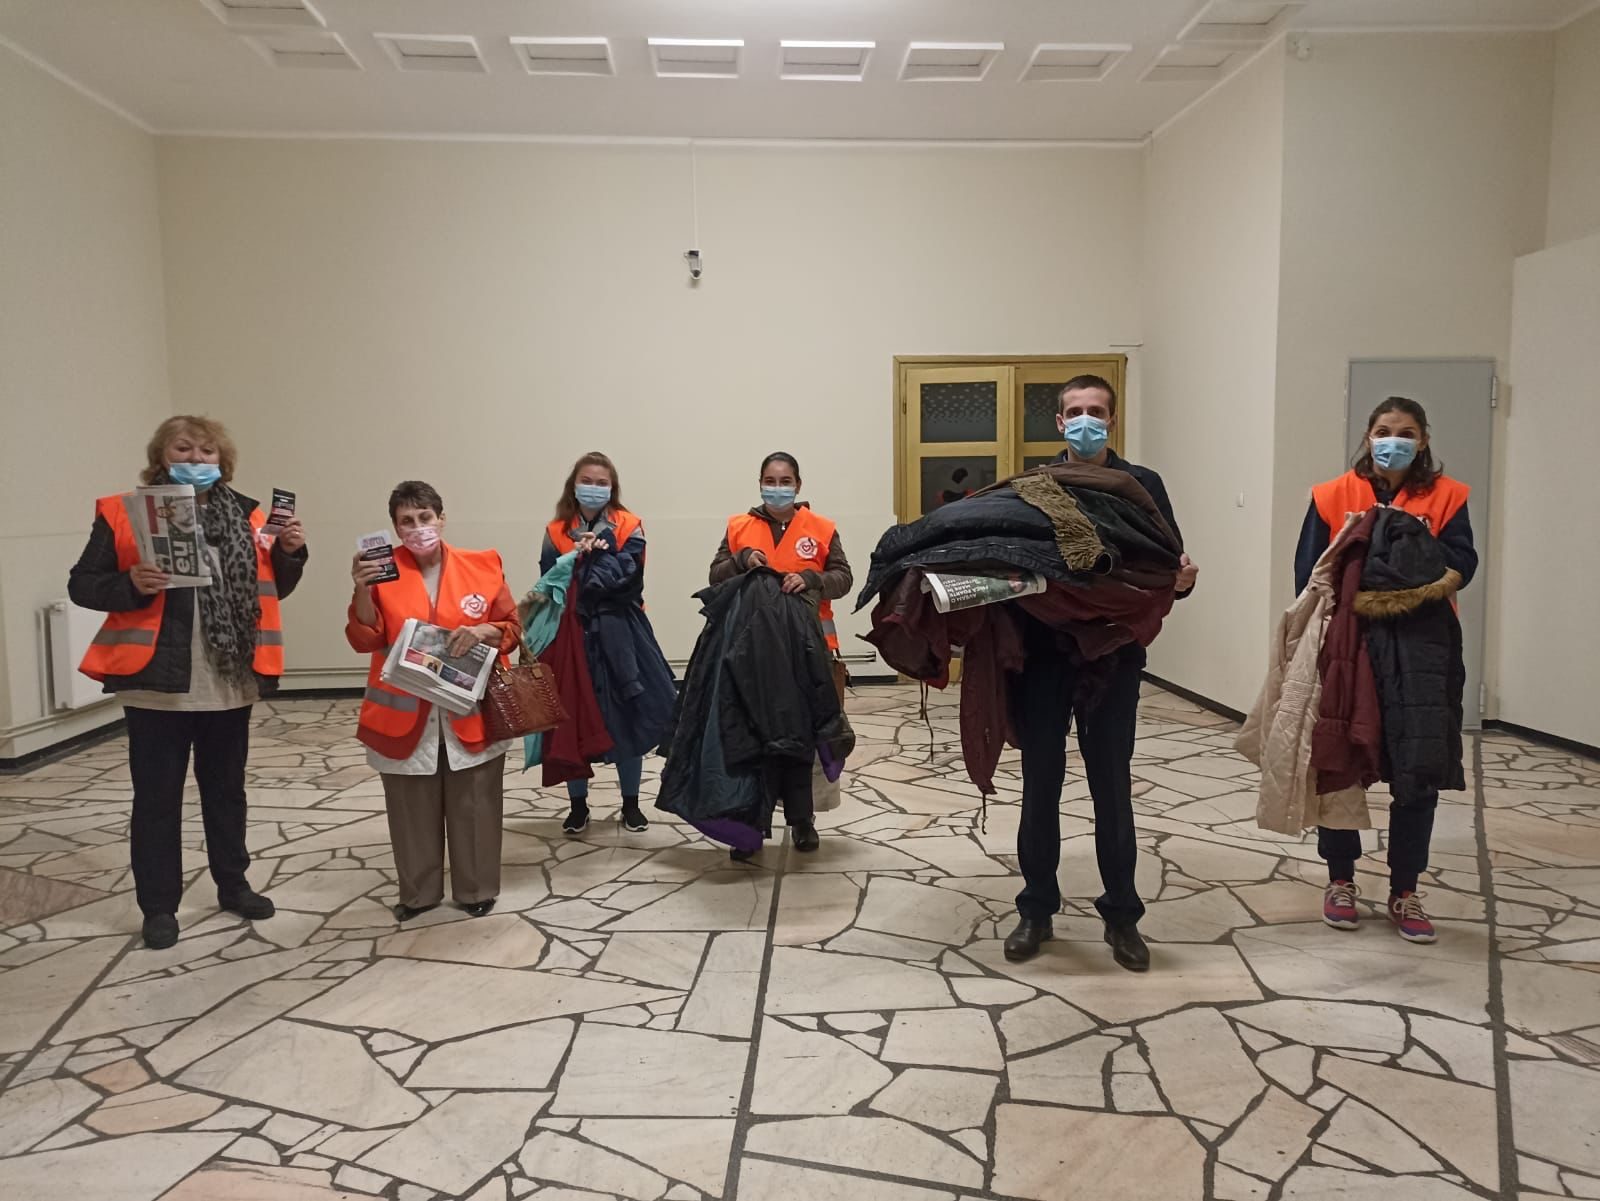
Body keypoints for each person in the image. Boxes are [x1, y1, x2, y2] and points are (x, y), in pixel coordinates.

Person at [69, 415, 308, 950]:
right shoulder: (124, 512)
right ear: (161, 456)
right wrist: (131, 582)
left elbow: (272, 588)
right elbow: (83, 584)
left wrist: (290, 553)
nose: (196, 460)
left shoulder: (249, 514)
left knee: (226, 792)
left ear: (222, 462)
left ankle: (233, 885)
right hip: (155, 682)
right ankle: (159, 907)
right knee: (157, 799)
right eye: (184, 449)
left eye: (207, 451)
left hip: (229, 679)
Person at [1004, 375, 1199, 972]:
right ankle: (1037, 909)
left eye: (1096, 410)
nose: (1085, 420)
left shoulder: (1140, 485)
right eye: (1075, 411)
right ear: (1059, 422)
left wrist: (1182, 583)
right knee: (1040, 781)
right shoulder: (1036, 485)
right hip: (1045, 653)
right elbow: (1017, 557)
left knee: (1111, 784)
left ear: (1112, 420)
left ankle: (1122, 917)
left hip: (1114, 655)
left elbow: (1164, 563)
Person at [1297, 397, 1476, 944]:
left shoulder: (1449, 496)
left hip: (1424, 647)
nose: (1391, 440)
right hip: (1350, 644)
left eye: (1404, 431)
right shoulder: (1331, 495)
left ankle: (1405, 888)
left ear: (1422, 440)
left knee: (1417, 766)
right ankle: (1340, 878)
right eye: (1382, 430)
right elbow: (1309, 571)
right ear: (1367, 436)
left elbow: (1462, 563)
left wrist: (1395, 562)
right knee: (1340, 758)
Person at [346, 481, 520, 922]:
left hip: (471, 709)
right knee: (410, 805)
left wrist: (484, 631)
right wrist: (362, 590)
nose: (417, 527)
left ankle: (477, 888)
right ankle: (418, 894)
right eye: (407, 521)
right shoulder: (381, 572)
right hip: (402, 712)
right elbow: (364, 638)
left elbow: (512, 629)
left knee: (476, 800)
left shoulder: (482, 565)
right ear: (395, 528)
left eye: (425, 517)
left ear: (441, 518)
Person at [708, 451, 853, 854]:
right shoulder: (739, 527)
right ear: (759, 483)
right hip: (751, 652)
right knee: (751, 739)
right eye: (770, 481)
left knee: (800, 738)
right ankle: (748, 826)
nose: (777, 488)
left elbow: (843, 577)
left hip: (807, 653)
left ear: (798, 485)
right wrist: (740, 560)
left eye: (785, 481)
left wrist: (811, 578)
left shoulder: (821, 528)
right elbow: (715, 575)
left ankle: (802, 820)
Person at [540, 452, 673, 835]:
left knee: (628, 716)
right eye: (587, 481)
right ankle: (578, 805)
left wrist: (602, 552)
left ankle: (631, 804)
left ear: (612, 488)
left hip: (622, 633)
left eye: (602, 483)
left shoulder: (629, 525)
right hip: (571, 633)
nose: (594, 488)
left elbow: (631, 580)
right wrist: (574, 558)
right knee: (571, 717)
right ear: (573, 485)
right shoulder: (555, 530)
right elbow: (548, 582)